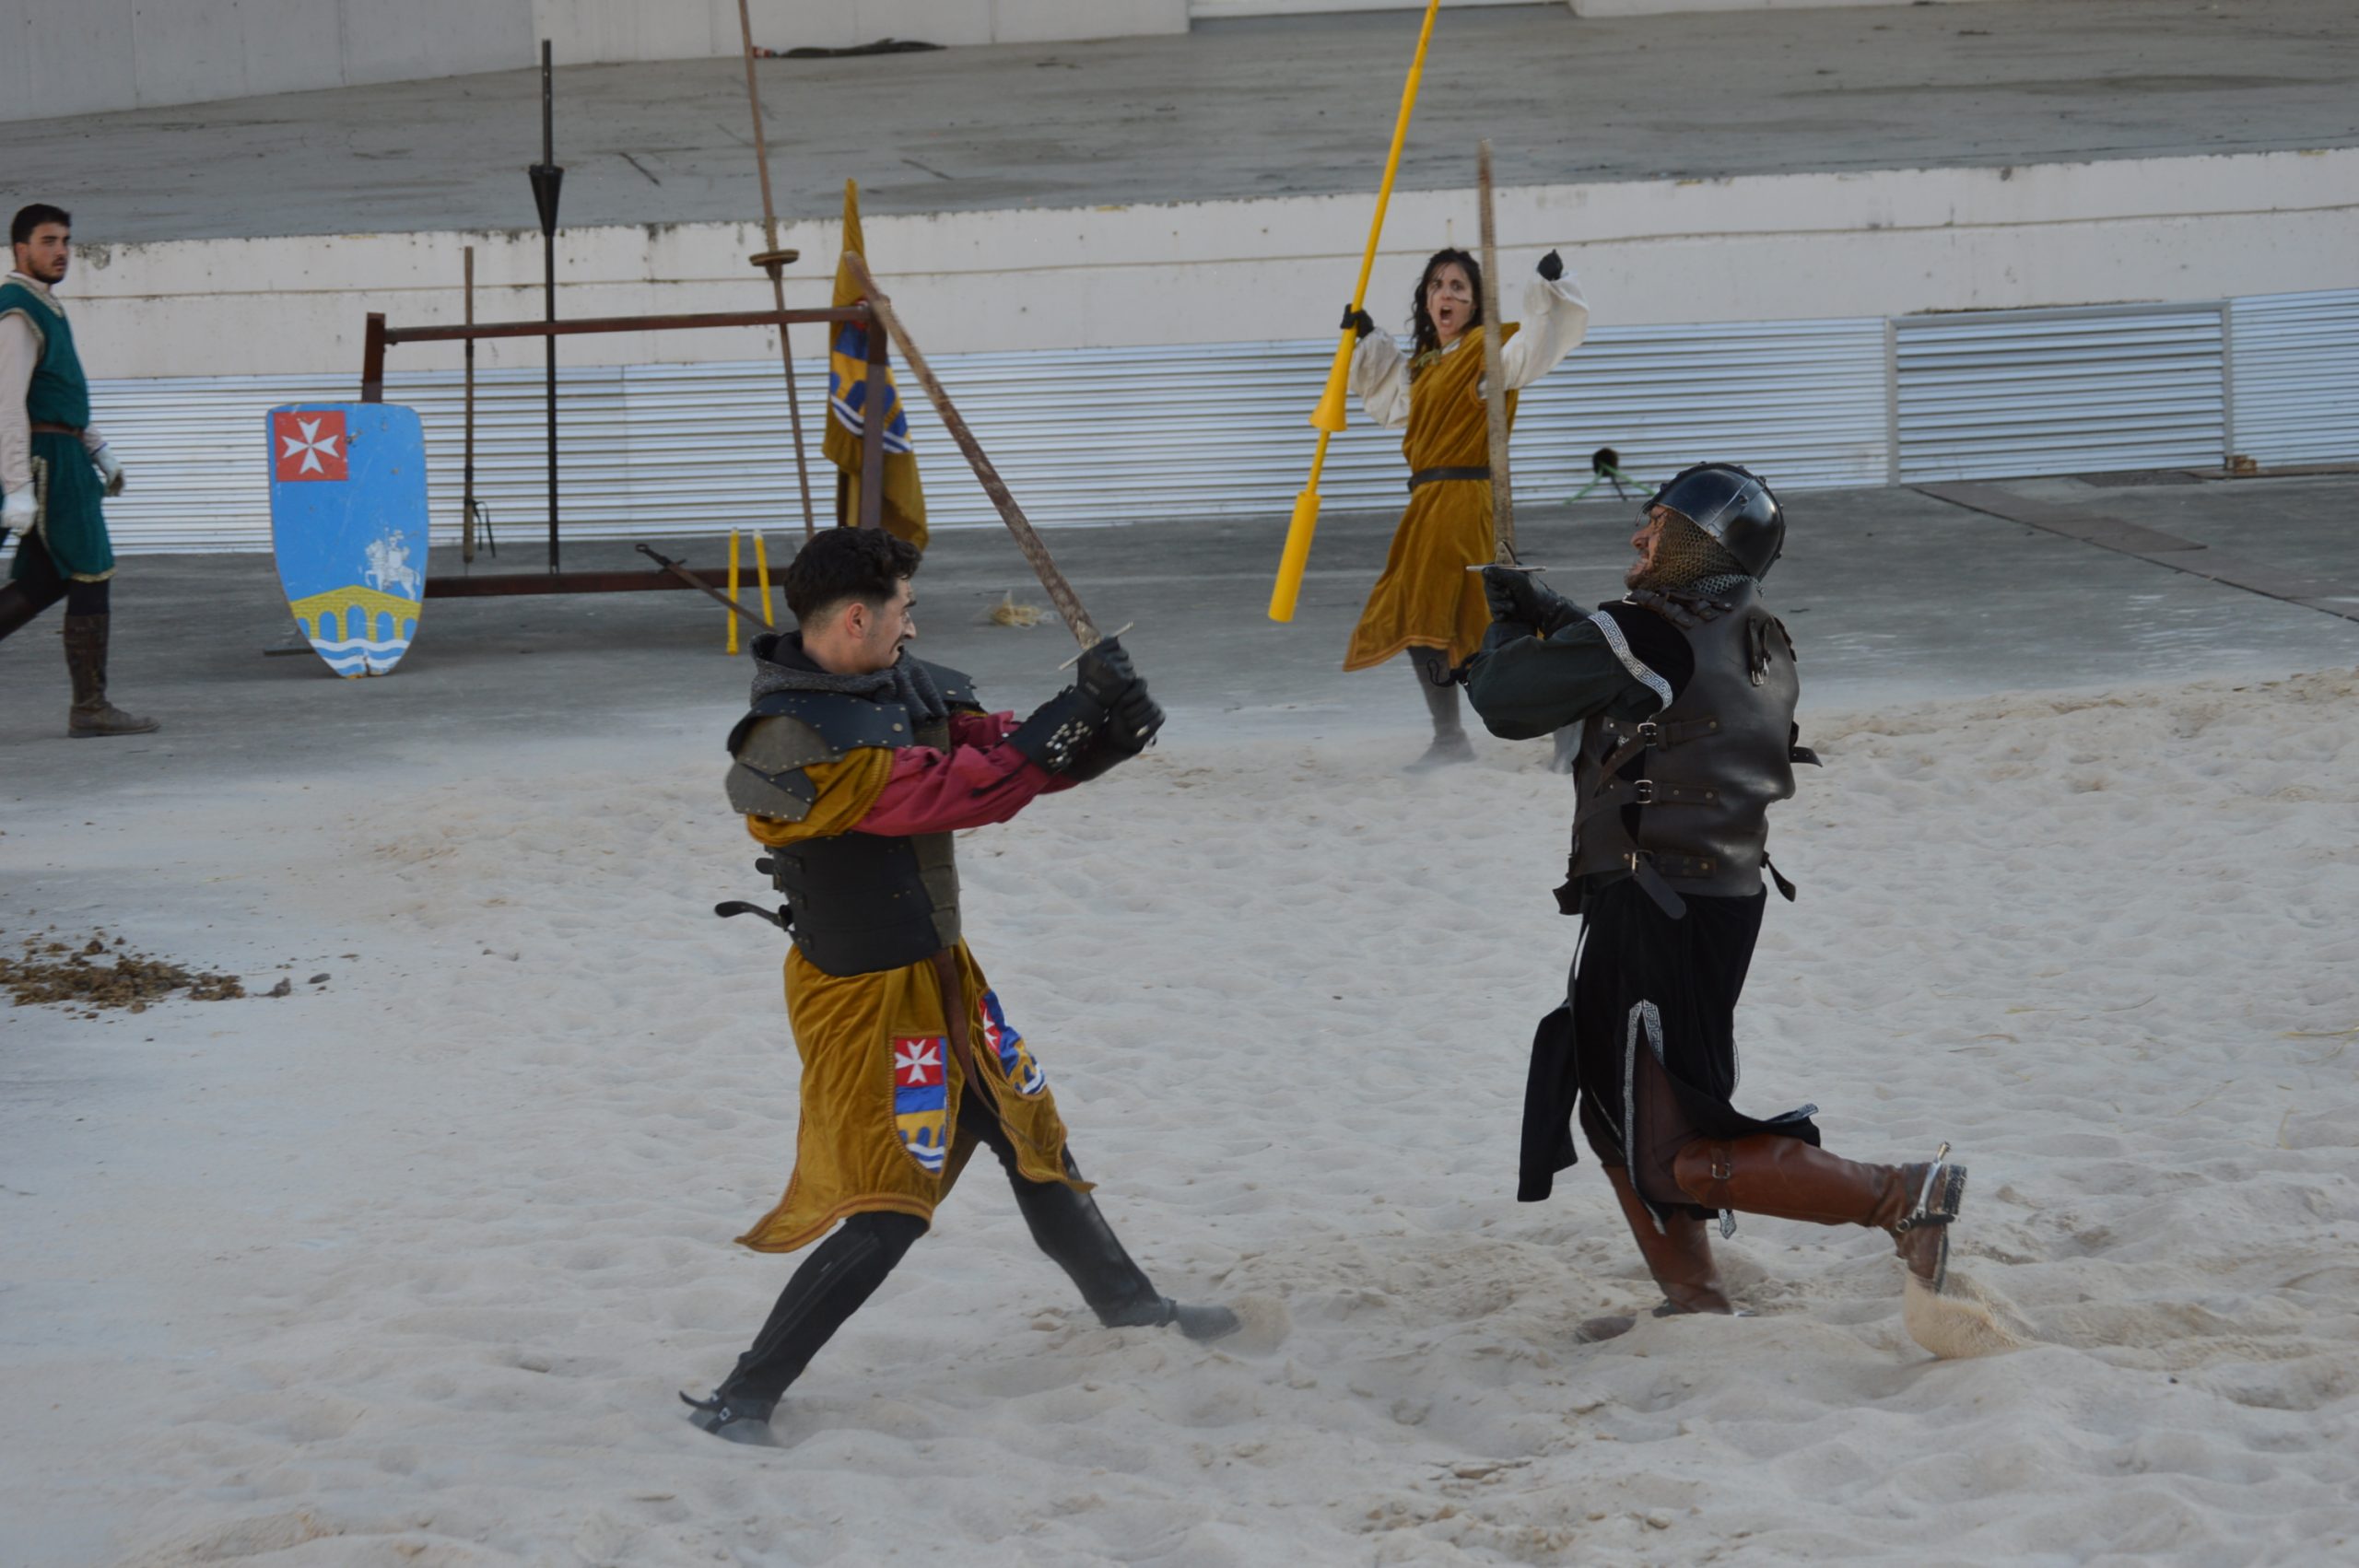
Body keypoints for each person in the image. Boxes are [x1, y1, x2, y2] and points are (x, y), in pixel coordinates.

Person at [683, 527, 1238, 1441]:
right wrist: (1073, 711)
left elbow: (1003, 749)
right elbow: (958, 790)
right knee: (890, 1200)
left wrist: (1103, 728)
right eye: (903, 606)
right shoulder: (794, 740)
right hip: (865, 997)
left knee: (1029, 1133)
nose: (913, 622)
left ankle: (1132, 1308)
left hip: (942, 971)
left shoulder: (897, 686)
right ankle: (743, 1394)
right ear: (857, 617)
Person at [1464, 463, 1966, 1345]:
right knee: (1617, 1107)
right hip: (1709, 895)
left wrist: (1507, 629)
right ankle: (1694, 1306)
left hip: (1657, 903)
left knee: (1672, 1148)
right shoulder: (1755, 629)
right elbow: (1650, 680)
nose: (1638, 536)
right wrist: (1556, 616)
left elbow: (1507, 705)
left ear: (1700, 544)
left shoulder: (1646, 628)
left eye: (1655, 524)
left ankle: (1901, 1196)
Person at [1341, 246, 1587, 768]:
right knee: (1420, 615)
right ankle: (1451, 738)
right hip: (1426, 505)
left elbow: (1531, 352)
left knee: (1480, 618)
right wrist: (1364, 338)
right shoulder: (1427, 366)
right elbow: (1393, 400)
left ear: (1475, 303)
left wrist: (1548, 287)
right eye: (1436, 286)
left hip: (1466, 500)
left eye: (1457, 286)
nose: (1445, 294)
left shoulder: (1486, 351)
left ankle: (1567, 720)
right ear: (1426, 301)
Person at [0, 203, 156, 737]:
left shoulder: (44, 306)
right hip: (45, 462)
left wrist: (98, 448)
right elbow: (9, 403)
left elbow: (58, 397)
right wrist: (18, 486)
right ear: (21, 248)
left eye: (65, 240)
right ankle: (90, 708)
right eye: (48, 241)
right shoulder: (18, 308)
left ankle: (91, 706)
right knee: (90, 571)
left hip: (63, 454)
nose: (61, 250)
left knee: (45, 581)